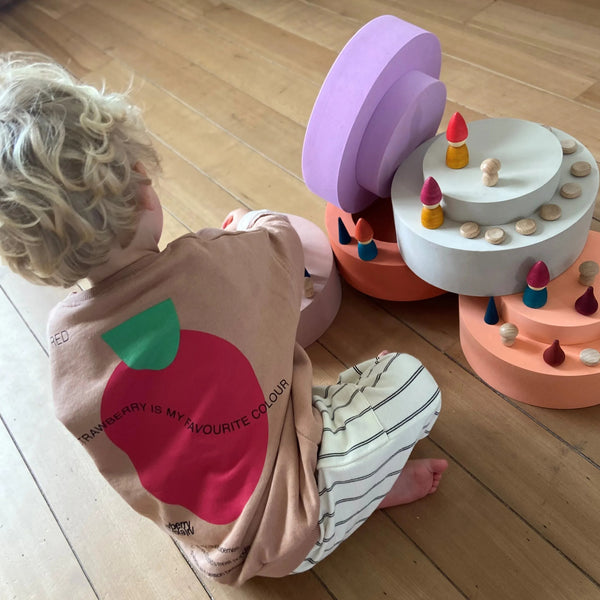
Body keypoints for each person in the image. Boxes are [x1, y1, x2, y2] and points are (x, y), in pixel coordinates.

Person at [0, 53, 447, 585]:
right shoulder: (213, 262)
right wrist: (245, 223)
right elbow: (282, 244)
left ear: (33, 261)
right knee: (414, 380)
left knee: (232, 414)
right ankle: (370, 490)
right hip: (309, 513)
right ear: (143, 181)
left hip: (221, 551)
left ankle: (341, 489)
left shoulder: (67, 355)